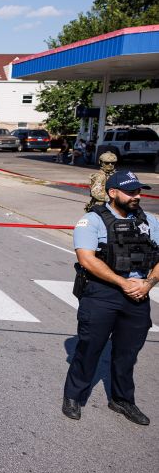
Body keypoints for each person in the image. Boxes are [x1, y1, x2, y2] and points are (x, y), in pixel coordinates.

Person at [62, 170, 158, 425]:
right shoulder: (92, 220)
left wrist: (148, 283)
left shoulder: (149, 220)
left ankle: (122, 399)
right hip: (101, 293)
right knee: (89, 348)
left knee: (128, 353)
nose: (136, 196)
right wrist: (121, 282)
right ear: (113, 193)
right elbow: (86, 259)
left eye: (139, 191)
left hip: (138, 294)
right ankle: (74, 396)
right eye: (130, 192)